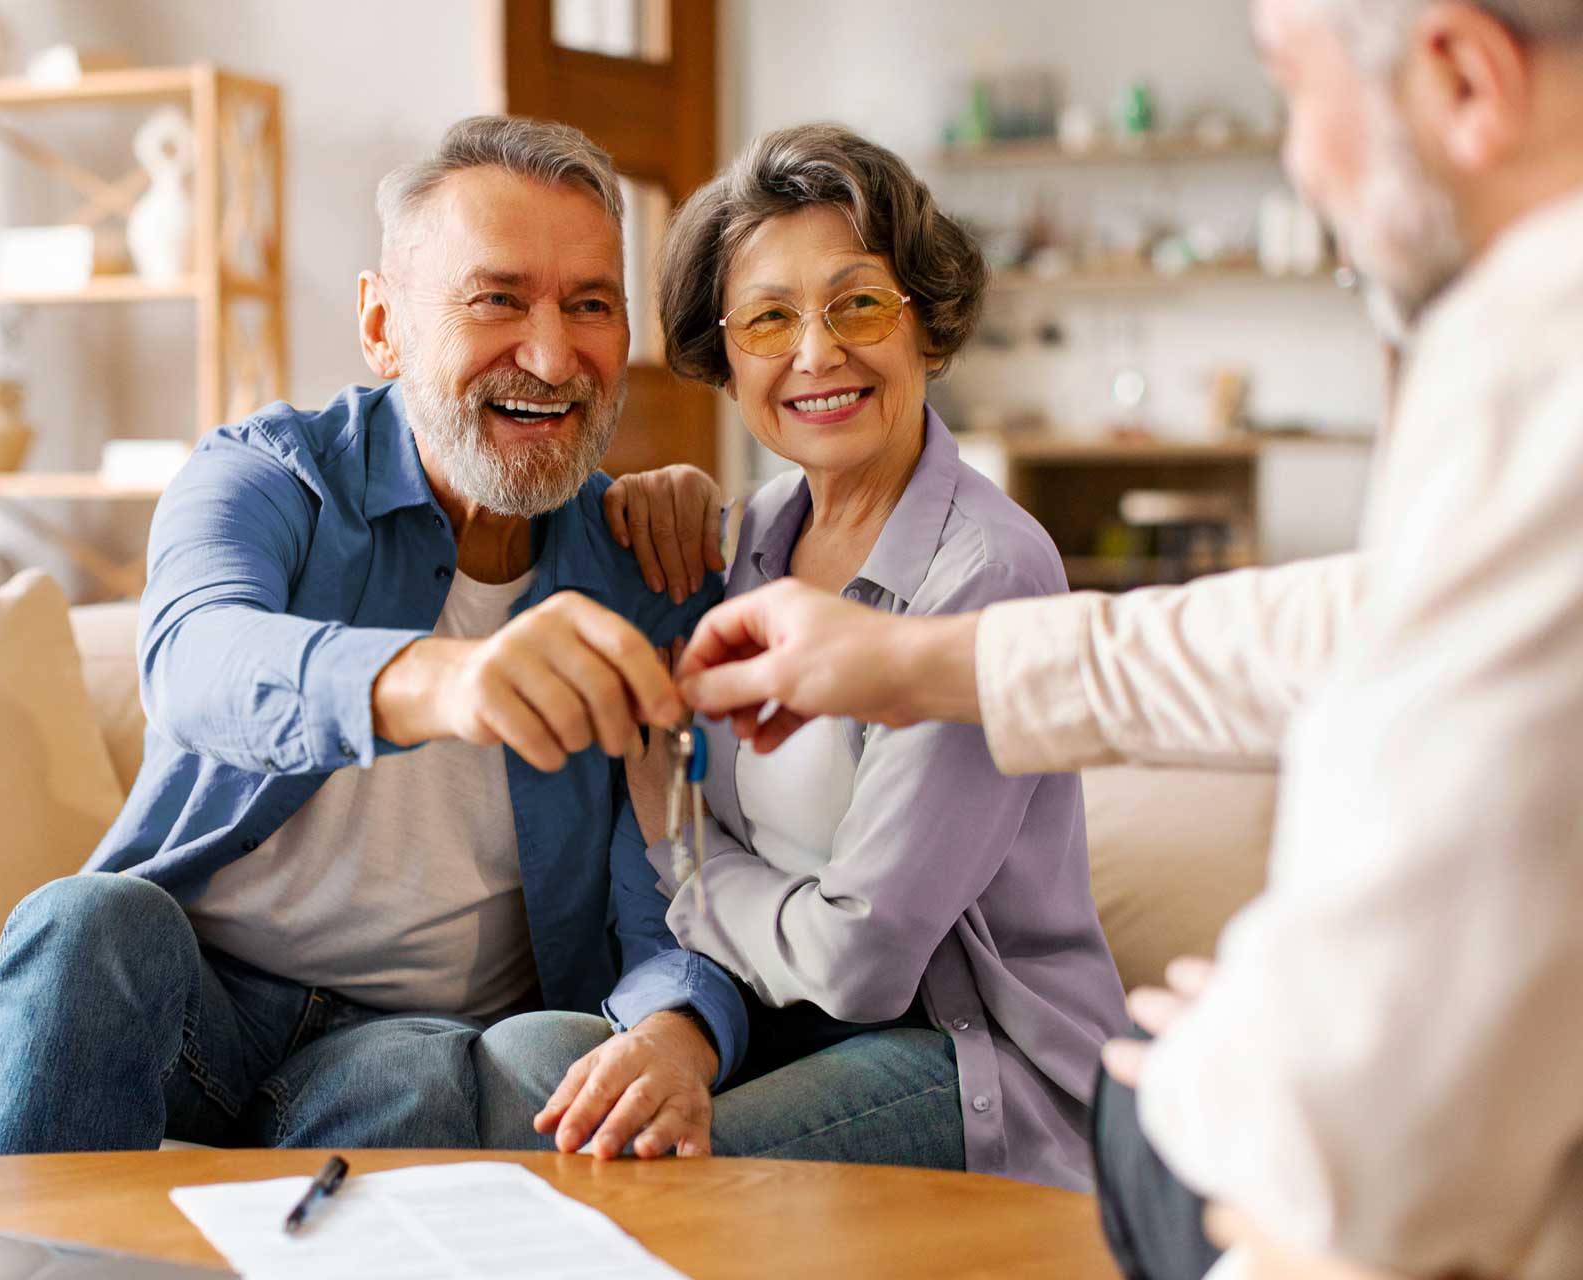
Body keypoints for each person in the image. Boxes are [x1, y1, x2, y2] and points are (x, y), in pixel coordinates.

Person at [676, 2, 1583, 1276]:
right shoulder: (742, 536)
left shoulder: (1535, 372)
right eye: (765, 320)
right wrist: (933, 666)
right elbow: (1356, 621)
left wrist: (1242, 1058)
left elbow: (1367, 1121)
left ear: (1464, 76)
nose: (1304, 163)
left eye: (1293, 90)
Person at [0, 115, 737, 1159]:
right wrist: (444, 681)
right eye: (496, 298)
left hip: (409, 1034)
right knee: (85, 921)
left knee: (419, 1076)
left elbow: (682, 868)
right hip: (197, 987)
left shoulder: (644, 561)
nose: (550, 353)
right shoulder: (268, 475)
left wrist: (681, 1023)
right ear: (382, 324)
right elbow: (194, 660)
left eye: (590, 305)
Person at [475, 124, 1128, 1190]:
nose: (817, 352)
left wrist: (683, 857)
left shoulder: (989, 571)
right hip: (787, 1027)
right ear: (727, 357)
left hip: (973, 1067)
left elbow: (864, 960)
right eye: (770, 318)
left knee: (632, 1171)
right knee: (543, 1083)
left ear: (925, 320)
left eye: (858, 302)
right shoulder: (754, 539)